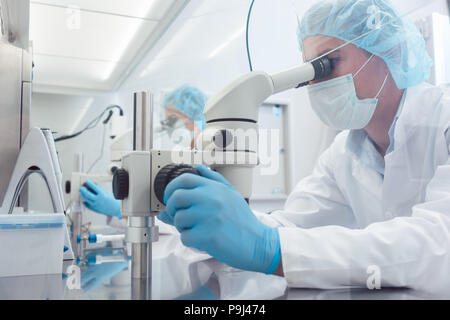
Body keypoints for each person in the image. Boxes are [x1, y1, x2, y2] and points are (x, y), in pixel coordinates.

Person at [158, 0, 450, 290]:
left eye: (326, 64)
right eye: (309, 71)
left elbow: (439, 242)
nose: (316, 84)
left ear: (389, 50)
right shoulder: (342, 154)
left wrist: (268, 247)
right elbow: (290, 228)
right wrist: (213, 218)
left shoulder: (444, 120)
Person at [80, 84, 207, 222]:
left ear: (194, 117)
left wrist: (120, 209)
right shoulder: (185, 157)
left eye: (172, 119)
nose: (167, 126)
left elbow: (177, 222)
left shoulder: (208, 161)